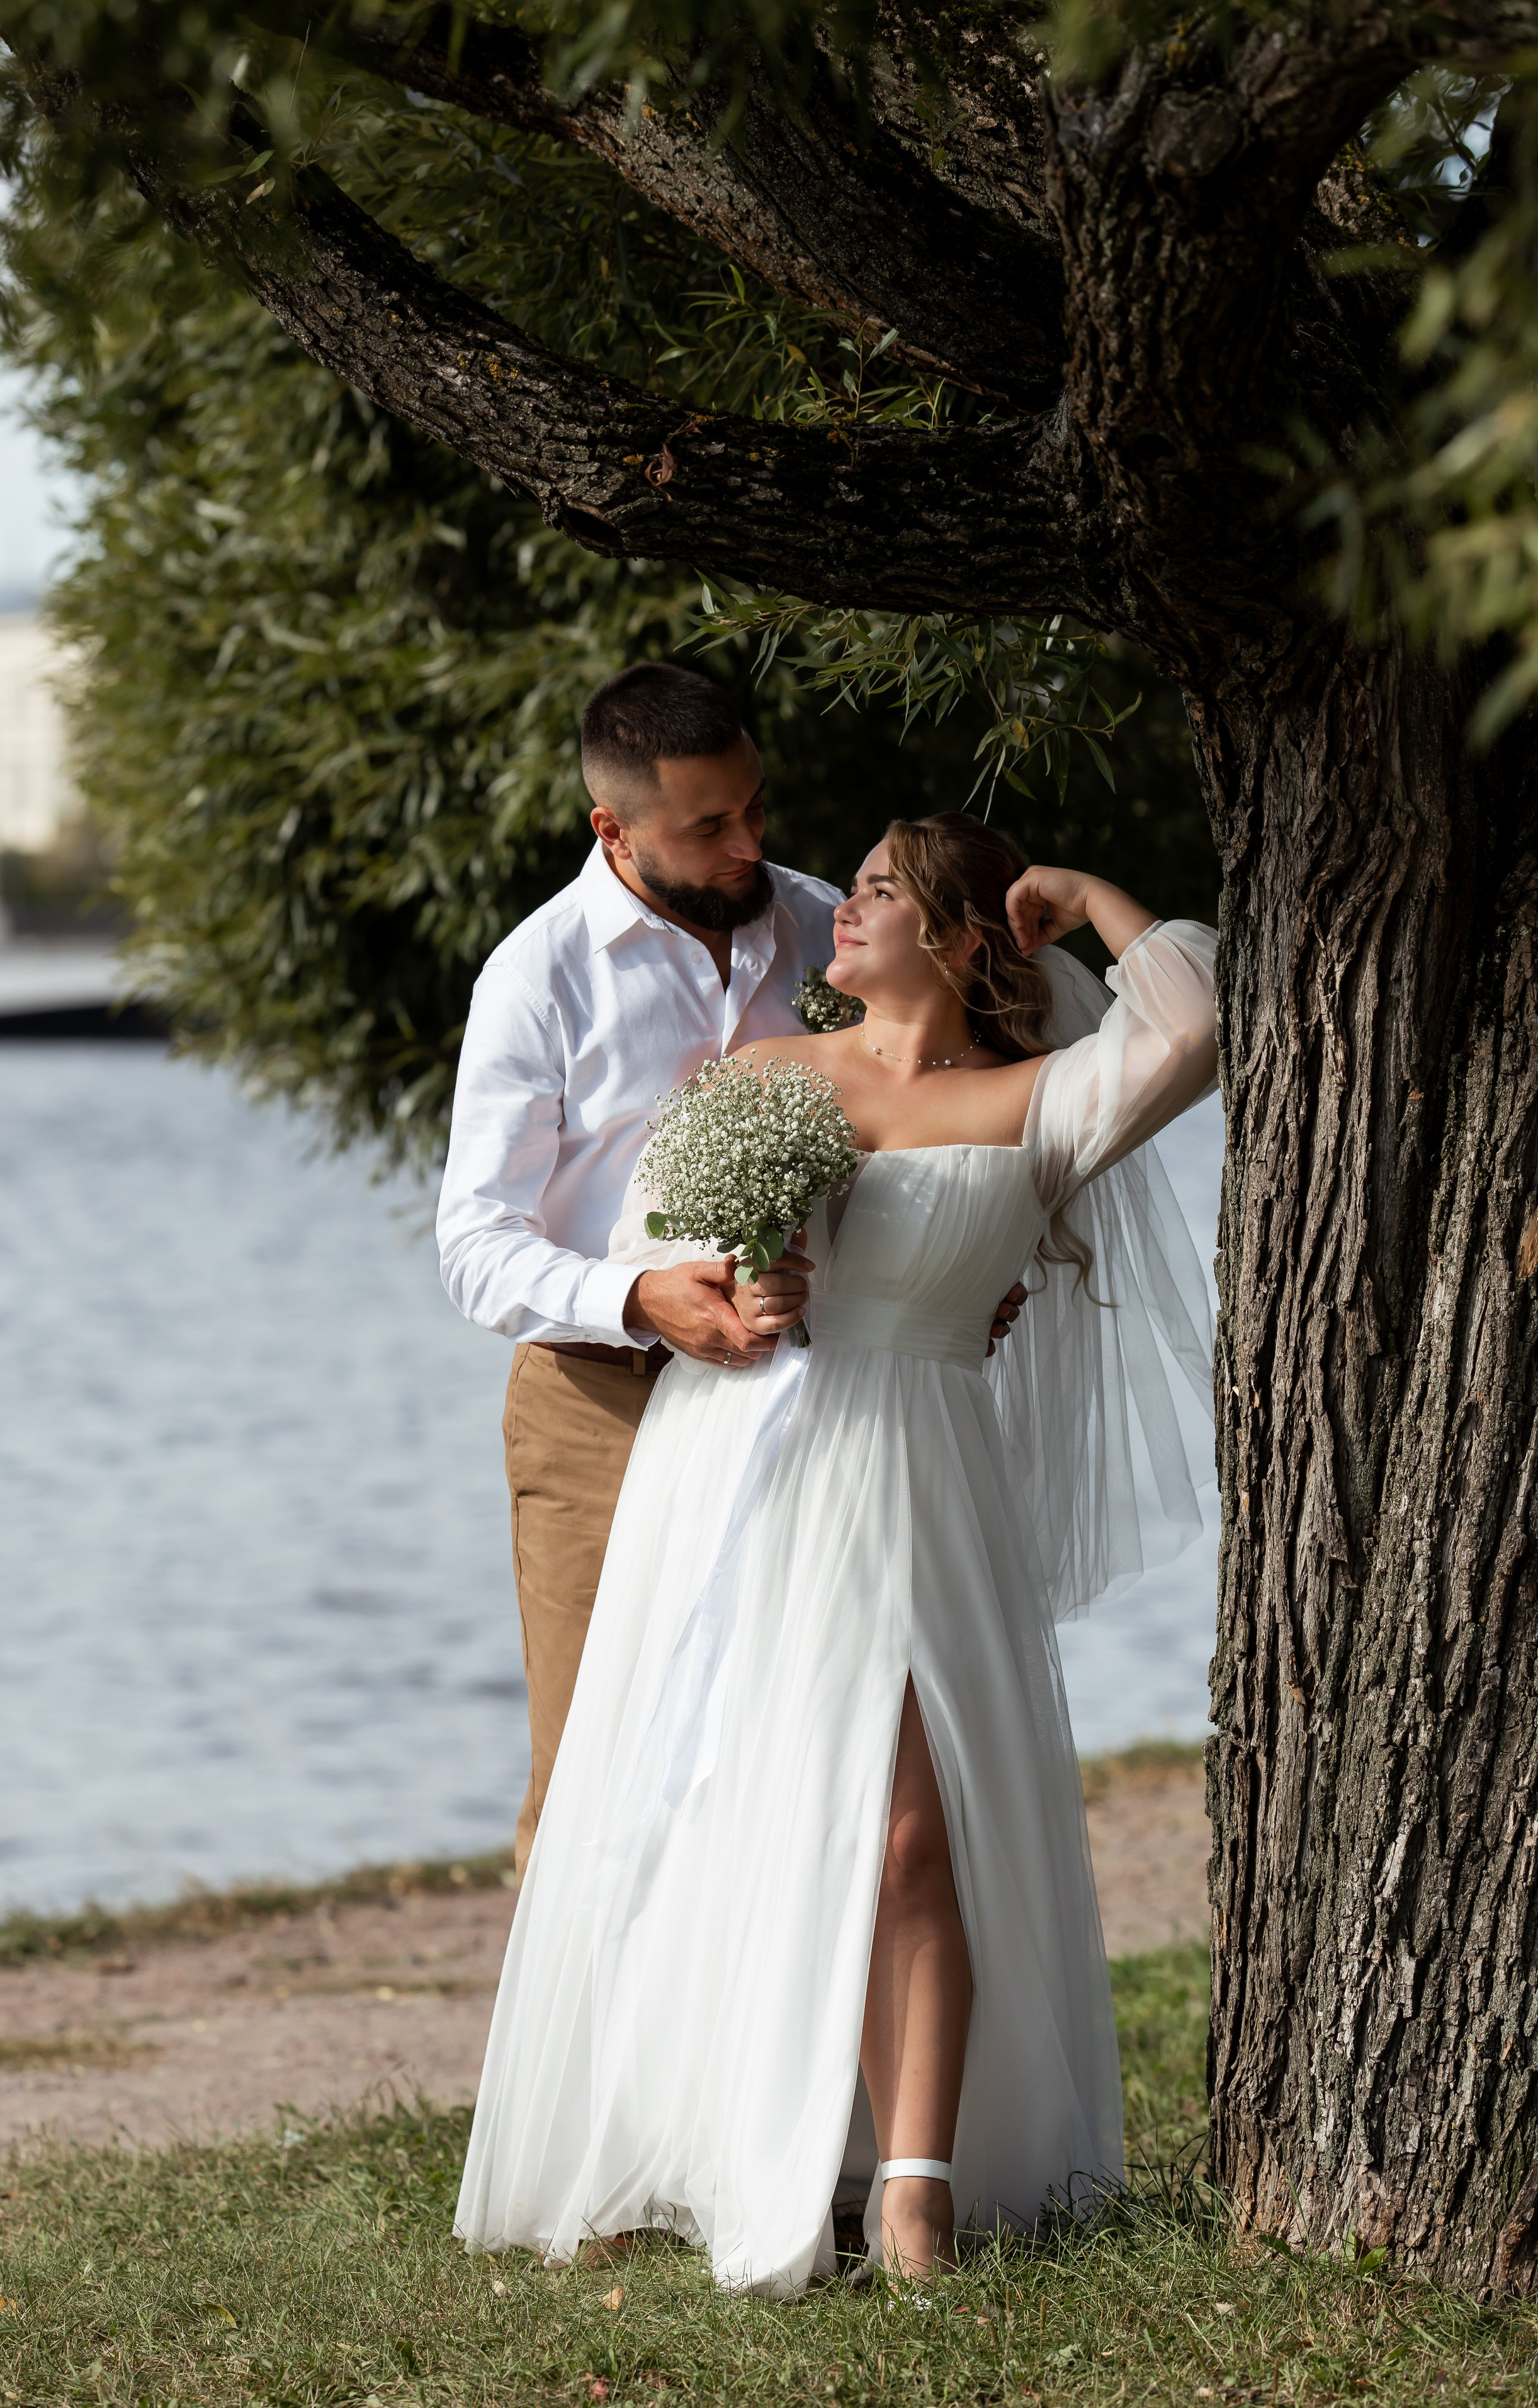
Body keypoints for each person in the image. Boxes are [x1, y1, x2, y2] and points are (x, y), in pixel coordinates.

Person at [455, 813, 1218, 2293]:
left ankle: (917, 2193)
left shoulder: (1039, 1100)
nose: (838, 911)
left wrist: (1085, 895)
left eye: (874, 891)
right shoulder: (753, 1081)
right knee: (736, 1812)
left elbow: (1189, 1023)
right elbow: (670, 1272)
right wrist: (741, 1289)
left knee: (909, 1838)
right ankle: (739, 2141)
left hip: (921, 1481)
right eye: (849, 888)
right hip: (746, 1467)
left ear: (955, 934)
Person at [438, 668, 1026, 1877]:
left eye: (754, 807)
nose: (748, 843)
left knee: (808, 1762)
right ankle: (590, 2065)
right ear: (615, 828)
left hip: (818, 1405)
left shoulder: (827, 923)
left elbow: (928, 1097)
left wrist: (952, 1253)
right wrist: (639, 1298)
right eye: (709, 826)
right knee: (599, 1772)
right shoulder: (537, 977)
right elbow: (476, 1246)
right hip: (601, 1408)